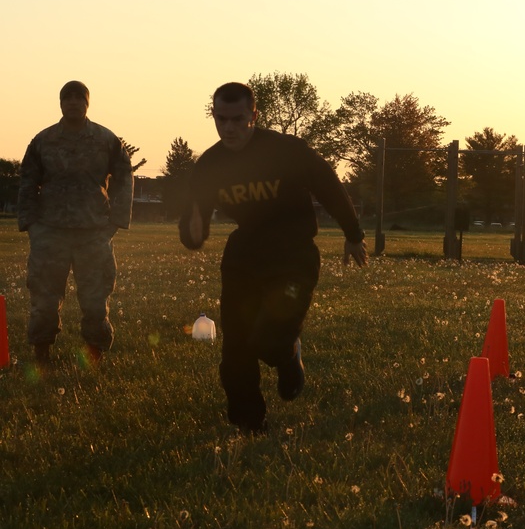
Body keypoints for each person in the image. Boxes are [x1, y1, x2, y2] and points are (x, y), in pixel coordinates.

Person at [179, 82, 367, 436]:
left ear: (254, 116)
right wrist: (192, 230)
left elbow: (328, 184)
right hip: (244, 255)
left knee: (269, 338)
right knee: (237, 345)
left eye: (237, 119)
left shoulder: (286, 151)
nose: (229, 128)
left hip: (293, 255)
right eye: (221, 119)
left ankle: (288, 355)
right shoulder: (211, 165)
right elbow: (194, 217)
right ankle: (249, 422)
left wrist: (353, 233)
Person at [18, 80, 134, 368]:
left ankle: (94, 353)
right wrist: (31, 224)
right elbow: (28, 181)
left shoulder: (105, 140)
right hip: (49, 230)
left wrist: (115, 222)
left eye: (78, 98)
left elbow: (124, 177)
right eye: (67, 98)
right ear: (60, 103)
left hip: (93, 232)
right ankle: (41, 353)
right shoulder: (43, 141)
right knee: (44, 299)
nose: (72, 102)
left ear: (87, 103)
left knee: (95, 300)